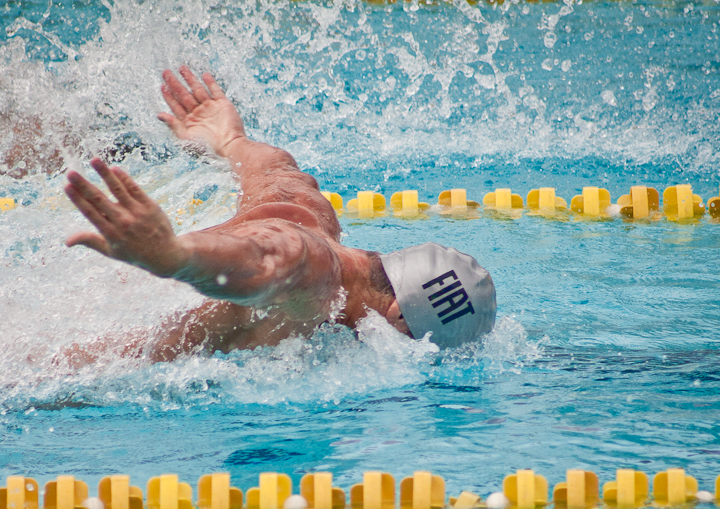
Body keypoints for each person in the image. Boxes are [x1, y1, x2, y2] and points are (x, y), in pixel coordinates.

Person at [63, 67, 497, 363]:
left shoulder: (313, 214)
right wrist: (172, 256)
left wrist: (229, 139)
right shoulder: (317, 276)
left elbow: (275, 167)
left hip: (76, 310)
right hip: (63, 368)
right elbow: (267, 258)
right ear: (399, 318)